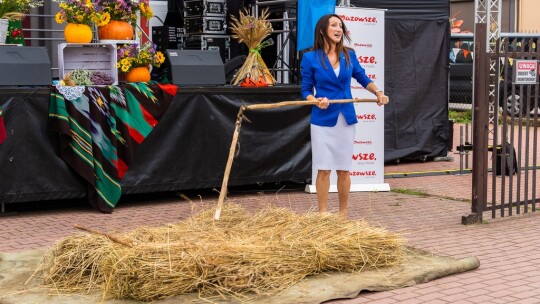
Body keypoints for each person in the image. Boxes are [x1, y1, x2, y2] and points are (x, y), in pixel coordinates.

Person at [300, 14, 389, 218]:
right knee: (323, 169)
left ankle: (342, 214)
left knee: (343, 169)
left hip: (346, 119)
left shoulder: (349, 55)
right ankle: (323, 214)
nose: (338, 29)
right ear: (323, 30)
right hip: (322, 120)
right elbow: (305, 90)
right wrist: (315, 100)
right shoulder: (310, 57)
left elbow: (363, 78)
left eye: (340, 25)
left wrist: (378, 93)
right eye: (333, 25)